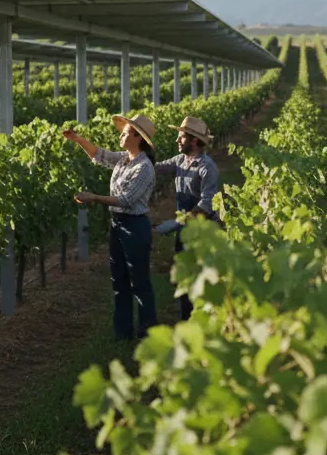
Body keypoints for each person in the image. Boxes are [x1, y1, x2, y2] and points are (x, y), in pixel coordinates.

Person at [63, 114, 158, 340]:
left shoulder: (144, 167)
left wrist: (94, 197)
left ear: (137, 137)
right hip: (118, 226)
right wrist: (77, 139)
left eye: (125, 132)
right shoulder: (124, 159)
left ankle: (148, 334)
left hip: (135, 227)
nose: (121, 135)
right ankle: (123, 333)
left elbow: (126, 200)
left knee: (139, 282)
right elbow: (99, 155)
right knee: (119, 280)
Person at [152, 116, 220, 321]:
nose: (177, 141)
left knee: (200, 275)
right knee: (184, 275)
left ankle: (203, 320)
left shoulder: (207, 168)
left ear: (193, 141)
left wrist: (178, 222)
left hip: (202, 229)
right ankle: (187, 320)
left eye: (181, 137)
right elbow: (156, 168)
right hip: (185, 226)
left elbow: (206, 205)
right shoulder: (179, 160)